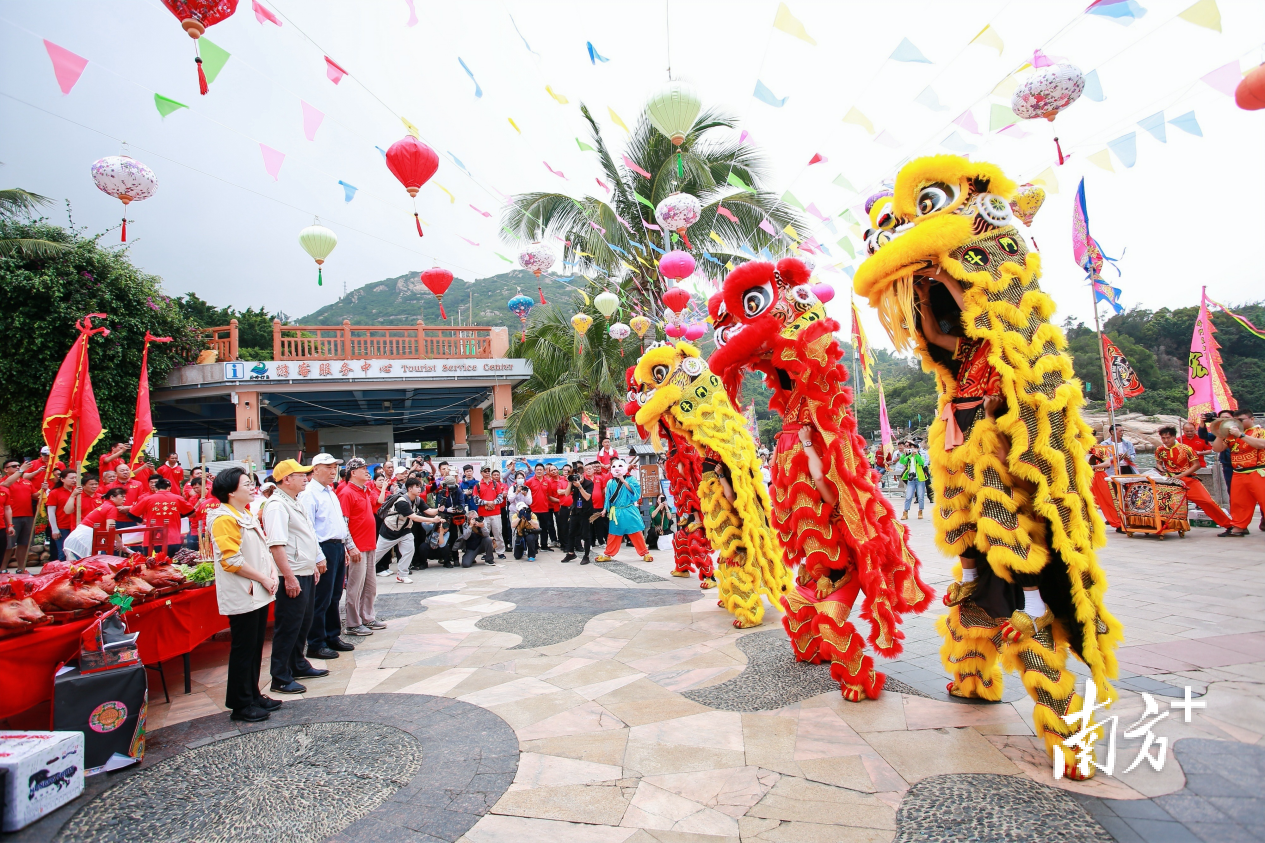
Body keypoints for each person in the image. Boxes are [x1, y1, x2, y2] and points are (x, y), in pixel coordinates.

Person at [206, 466, 280, 723]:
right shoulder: (223, 518)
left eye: (252, 483)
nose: (252, 487)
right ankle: (240, 703)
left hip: (258, 589)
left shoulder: (245, 513)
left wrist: (270, 573)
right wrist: (263, 577)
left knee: (256, 646)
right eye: (246, 484)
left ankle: (253, 694)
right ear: (229, 491)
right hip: (243, 592)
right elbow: (231, 561)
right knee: (244, 648)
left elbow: (262, 551)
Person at [261, 459, 329, 695]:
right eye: (299, 474)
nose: (305, 478)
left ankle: (297, 664)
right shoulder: (277, 505)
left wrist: (311, 564)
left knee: (303, 622)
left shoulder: (294, 501)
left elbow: (305, 536)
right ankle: (280, 676)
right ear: (286, 479)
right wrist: (288, 577)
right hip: (291, 574)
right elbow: (277, 545)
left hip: (304, 571)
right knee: (288, 626)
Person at [299, 453, 358, 658]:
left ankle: (332, 636)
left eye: (335, 467)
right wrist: (318, 556)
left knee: (334, 595)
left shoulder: (330, 492)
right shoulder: (309, 494)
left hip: (336, 547)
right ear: (315, 469)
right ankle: (316, 642)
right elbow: (309, 528)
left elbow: (338, 523)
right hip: (322, 548)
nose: (333, 471)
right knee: (321, 598)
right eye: (328, 467)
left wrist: (344, 547)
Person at [339, 458, 382, 640]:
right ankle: (353, 623)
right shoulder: (346, 492)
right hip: (357, 547)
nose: (367, 471)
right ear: (352, 472)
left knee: (370, 585)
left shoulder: (365, 490)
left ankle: (367, 616)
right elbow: (344, 523)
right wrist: (351, 547)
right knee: (355, 587)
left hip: (369, 543)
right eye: (362, 468)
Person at [1155, 426, 1231, 529]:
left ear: (1174, 437)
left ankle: (1228, 524)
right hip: (1170, 480)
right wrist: (1162, 471)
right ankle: (1164, 525)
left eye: (1168, 437)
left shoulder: (1186, 449)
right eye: (1163, 438)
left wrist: (1181, 475)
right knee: (1164, 503)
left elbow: (1197, 465)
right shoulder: (1160, 449)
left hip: (1188, 479)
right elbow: (1159, 463)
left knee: (1207, 501)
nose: (1166, 440)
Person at [1211, 410, 1265, 538]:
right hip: (1238, 472)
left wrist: (1241, 435)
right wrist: (1219, 433)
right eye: (1235, 420)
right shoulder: (1230, 436)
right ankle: (1238, 527)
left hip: (1258, 471)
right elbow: (1217, 449)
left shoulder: (1260, 432)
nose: (1237, 423)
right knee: (1239, 503)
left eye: (1240, 420)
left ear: (1251, 419)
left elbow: (1261, 444)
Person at [371, 477, 433, 586]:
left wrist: (442, 510)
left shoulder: (418, 499)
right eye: (417, 487)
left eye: (420, 487)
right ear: (409, 489)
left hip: (404, 530)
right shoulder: (402, 502)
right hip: (390, 530)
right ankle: (364, 573)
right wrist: (433, 520)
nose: (420, 489)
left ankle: (402, 575)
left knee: (409, 550)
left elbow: (428, 510)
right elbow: (415, 517)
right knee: (377, 554)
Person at [596, 459, 652, 562]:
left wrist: (624, 481)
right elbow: (608, 498)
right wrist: (604, 510)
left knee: (636, 533)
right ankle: (608, 554)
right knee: (613, 534)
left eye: (619, 466)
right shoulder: (610, 482)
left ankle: (645, 553)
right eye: (613, 466)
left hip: (629, 510)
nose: (616, 468)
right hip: (616, 512)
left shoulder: (631, 480)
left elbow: (635, 494)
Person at [129, 476, 195, 556]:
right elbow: (191, 512)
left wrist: (141, 521)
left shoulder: (148, 499)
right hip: (173, 539)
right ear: (169, 487)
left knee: (152, 564)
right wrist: (178, 515)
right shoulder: (178, 498)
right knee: (173, 565)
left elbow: (131, 514)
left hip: (152, 539)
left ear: (156, 488)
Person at [62, 486, 129, 560]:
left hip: (81, 536)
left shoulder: (106, 505)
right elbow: (110, 527)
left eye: (125, 497)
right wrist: (119, 541)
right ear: (112, 497)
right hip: (85, 538)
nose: (125, 499)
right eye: (122, 497)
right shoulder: (111, 508)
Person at [1, 459, 38, 573]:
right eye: (14, 466)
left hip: (27, 515)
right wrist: (22, 470)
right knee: (8, 545)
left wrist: (44, 490)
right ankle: (3, 569)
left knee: (24, 543)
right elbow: (6, 484)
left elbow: (35, 495)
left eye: (18, 466)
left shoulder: (26, 482)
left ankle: (21, 568)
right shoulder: (4, 481)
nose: (17, 467)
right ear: (6, 469)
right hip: (12, 517)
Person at [564, 463, 596, 564]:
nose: (576, 478)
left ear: (583, 475)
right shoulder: (573, 483)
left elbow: (587, 497)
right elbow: (566, 494)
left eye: (578, 475)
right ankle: (570, 553)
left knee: (586, 535)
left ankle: (586, 556)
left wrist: (580, 486)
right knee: (571, 533)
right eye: (575, 476)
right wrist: (570, 483)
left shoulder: (589, 483)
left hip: (586, 512)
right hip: (575, 511)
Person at [44, 470, 79, 561]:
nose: (74, 480)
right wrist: (54, 529)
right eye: (71, 478)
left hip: (77, 526)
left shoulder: (79, 491)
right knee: (63, 552)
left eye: (76, 478)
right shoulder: (55, 492)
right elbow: (51, 511)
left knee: (76, 552)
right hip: (62, 526)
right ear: (62, 479)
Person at [473, 466, 507, 559]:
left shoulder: (496, 484)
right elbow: (476, 500)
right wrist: (487, 503)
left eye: (488, 471)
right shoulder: (478, 485)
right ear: (481, 473)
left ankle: (500, 552)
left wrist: (493, 503)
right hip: (483, 514)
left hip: (496, 513)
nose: (487, 473)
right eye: (485, 471)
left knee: (498, 533)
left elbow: (500, 497)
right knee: (485, 534)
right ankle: (486, 552)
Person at [526, 464, 554, 550]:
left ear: (544, 471)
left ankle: (544, 545)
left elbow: (549, 495)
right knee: (533, 528)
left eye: (540, 470)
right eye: (537, 470)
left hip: (545, 509)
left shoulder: (548, 481)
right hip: (533, 509)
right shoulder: (529, 481)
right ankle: (535, 545)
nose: (539, 471)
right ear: (535, 471)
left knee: (544, 528)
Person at [897, 442, 929, 520]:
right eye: (911, 448)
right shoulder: (909, 457)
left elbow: (922, 463)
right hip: (911, 479)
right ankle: (905, 512)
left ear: (917, 449)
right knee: (908, 496)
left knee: (921, 496)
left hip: (920, 479)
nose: (912, 450)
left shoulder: (920, 456)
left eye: (914, 448)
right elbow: (902, 462)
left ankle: (920, 511)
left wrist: (916, 454)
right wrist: (904, 454)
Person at [552, 464, 573, 559]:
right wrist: (569, 490)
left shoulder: (574, 480)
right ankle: (565, 545)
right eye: (564, 470)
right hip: (564, 508)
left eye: (568, 470)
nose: (566, 472)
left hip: (574, 508)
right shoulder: (560, 481)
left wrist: (569, 490)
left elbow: (576, 490)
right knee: (564, 527)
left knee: (574, 527)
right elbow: (559, 492)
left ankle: (575, 545)